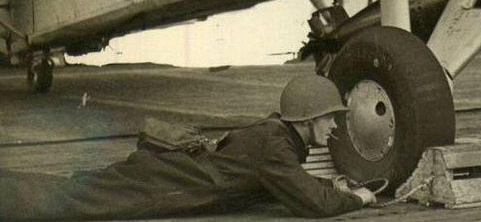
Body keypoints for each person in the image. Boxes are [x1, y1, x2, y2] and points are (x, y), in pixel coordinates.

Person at [0, 75, 375, 219]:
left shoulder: (275, 134)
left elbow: (287, 183)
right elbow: (312, 205)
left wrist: (331, 185)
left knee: (75, 190)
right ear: (308, 118)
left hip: (169, 176)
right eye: (330, 118)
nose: (334, 126)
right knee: (71, 201)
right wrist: (359, 199)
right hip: (166, 184)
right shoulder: (275, 144)